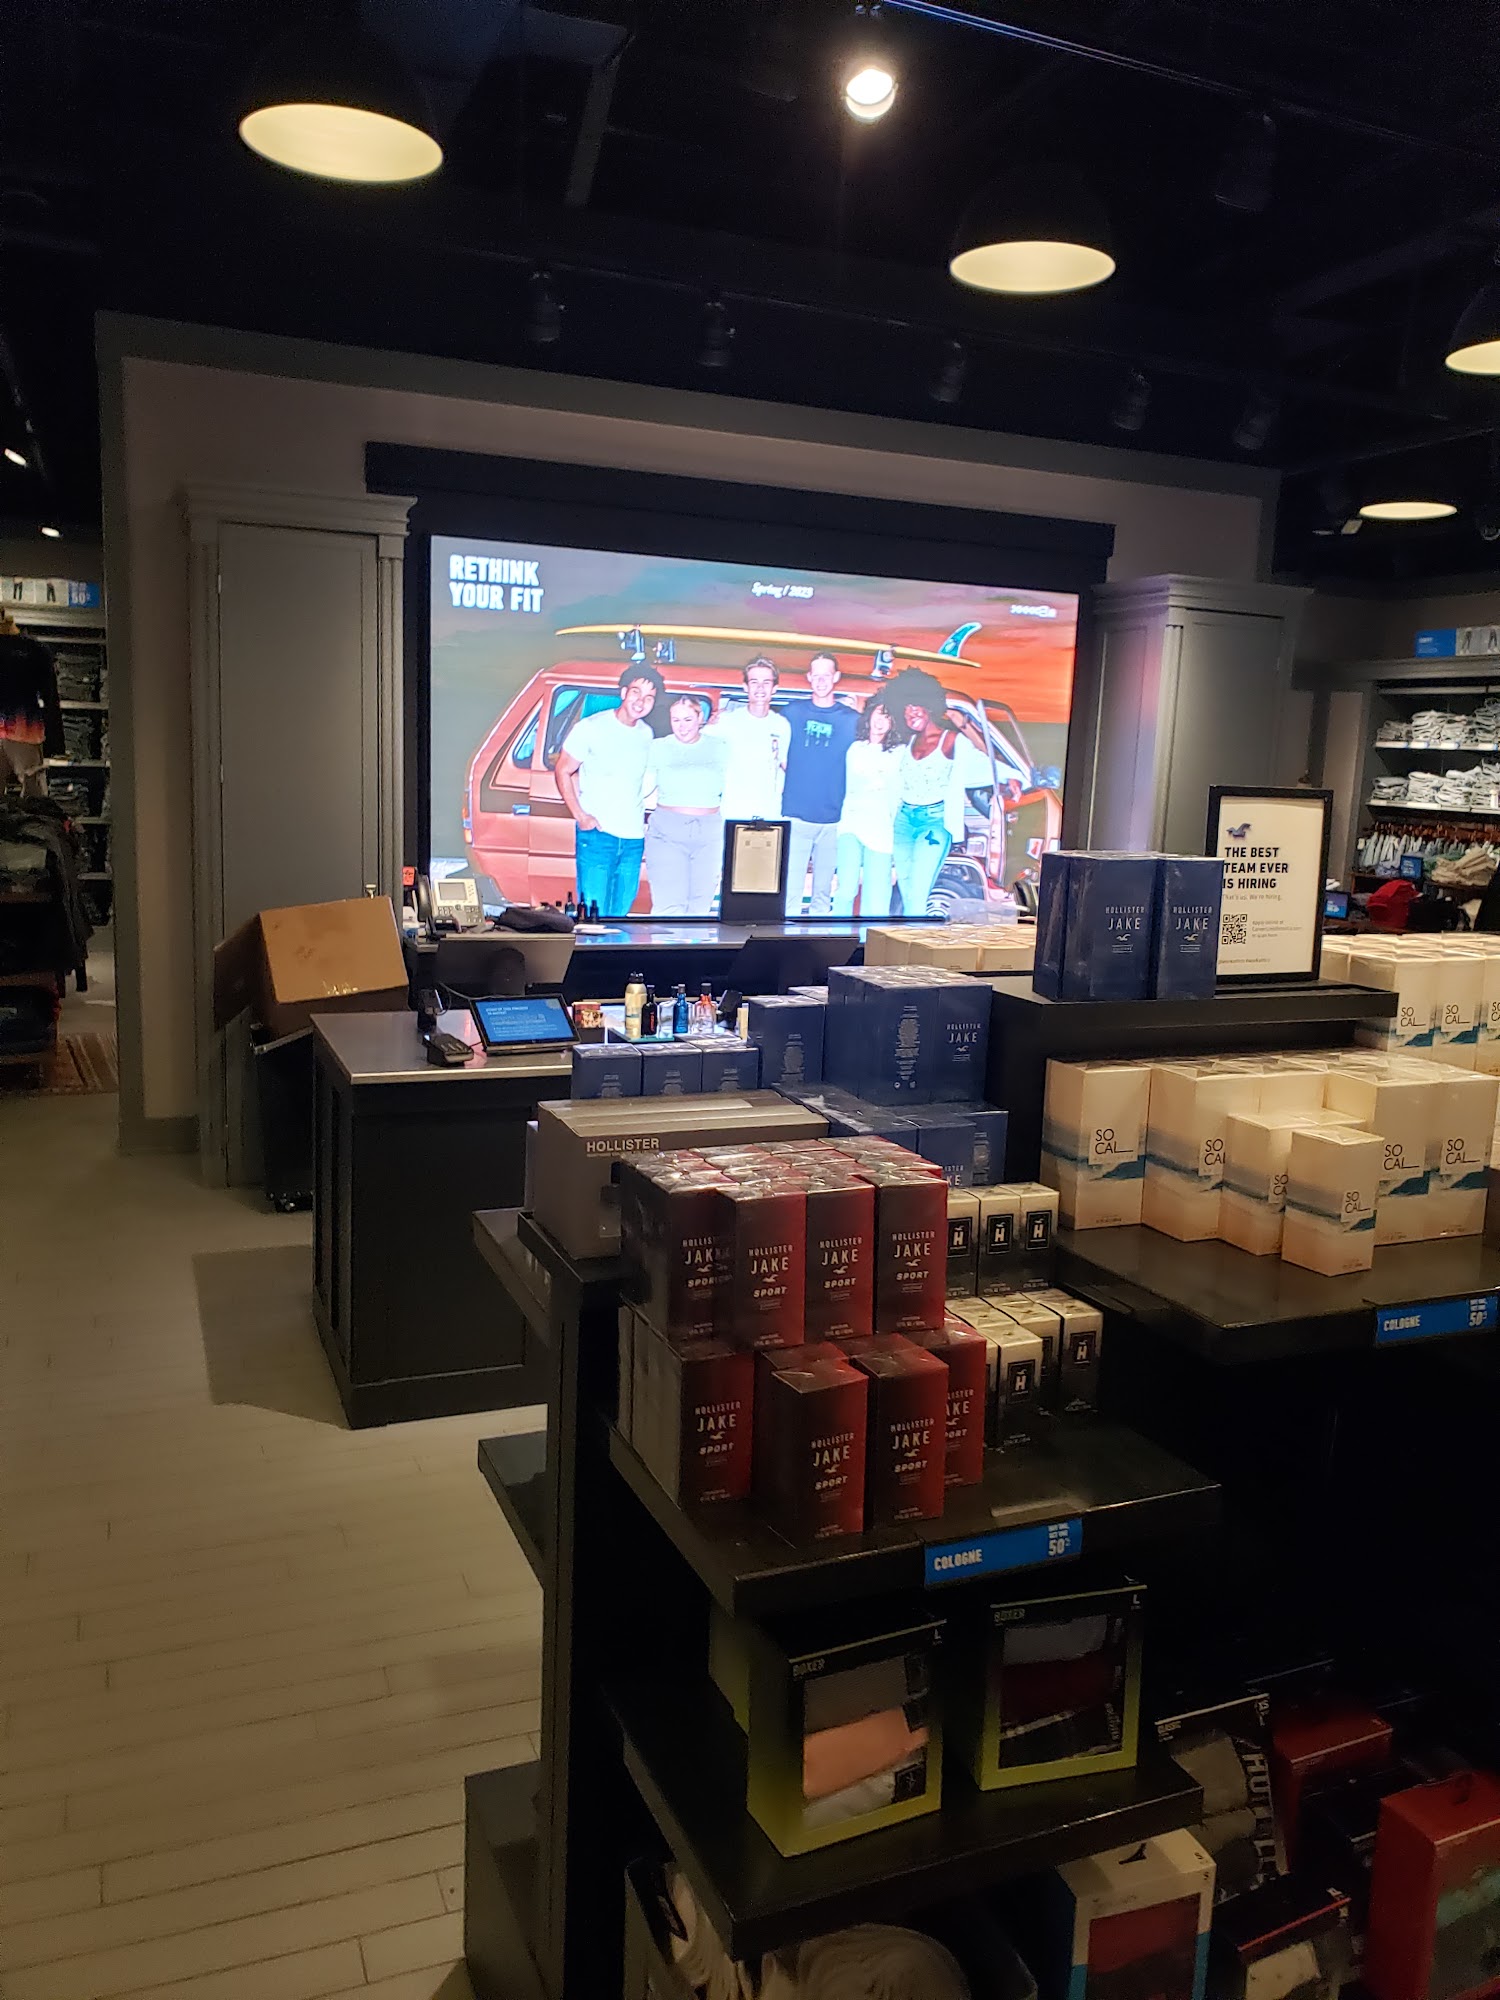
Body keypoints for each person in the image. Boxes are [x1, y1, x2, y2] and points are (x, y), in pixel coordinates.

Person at [554, 663, 665, 916]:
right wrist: (581, 816)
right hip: (598, 836)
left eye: (649, 697)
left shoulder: (647, 734)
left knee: (621, 917)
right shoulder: (591, 727)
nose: (641, 702)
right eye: (636, 692)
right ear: (624, 692)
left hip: (633, 840)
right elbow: (563, 770)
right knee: (594, 917)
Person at [887, 668, 988, 918]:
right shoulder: (907, 743)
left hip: (933, 823)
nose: (910, 713)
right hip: (903, 822)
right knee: (907, 893)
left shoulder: (951, 740)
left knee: (917, 894)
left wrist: (1012, 779)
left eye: (915, 706)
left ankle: (912, 940)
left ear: (929, 705)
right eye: (905, 709)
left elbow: (984, 761)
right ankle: (911, 937)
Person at [782, 652, 859, 915]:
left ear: (836, 677)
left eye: (826, 675)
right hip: (796, 817)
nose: (821, 681)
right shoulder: (791, 713)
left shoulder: (853, 720)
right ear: (808, 677)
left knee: (823, 896)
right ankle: (787, 940)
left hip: (834, 821)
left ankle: (818, 941)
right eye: (816, 675)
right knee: (790, 896)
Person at [643, 695, 729, 916]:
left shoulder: (720, 746)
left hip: (710, 832)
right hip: (667, 831)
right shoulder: (658, 747)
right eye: (676, 720)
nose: (682, 726)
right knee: (668, 905)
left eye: (688, 719)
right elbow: (642, 788)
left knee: (700, 907)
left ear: (700, 718)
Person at [832, 698, 901, 918]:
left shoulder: (899, 753)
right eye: (878, 714)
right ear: (869, 715)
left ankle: (871, 939)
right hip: (850, 827)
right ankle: (837, 935)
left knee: (877, 897)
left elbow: (897, 795)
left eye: (887, 717)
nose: (880, 721)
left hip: (882, 831)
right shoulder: (855, 749)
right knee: (845, 890)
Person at [710, 656, 790, 823]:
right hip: (733, 813)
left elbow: (786, 766)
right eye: (754, 682)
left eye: (766, 682)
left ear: (774, 688)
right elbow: (697, 748)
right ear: (745, 687)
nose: (760, 688)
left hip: (769, 814)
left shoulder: (782, 725)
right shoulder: (726, 721)